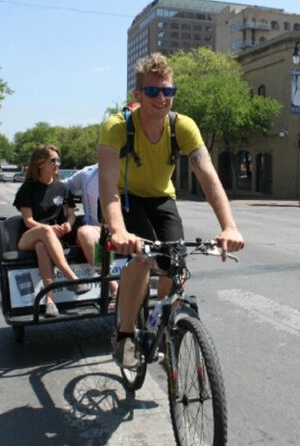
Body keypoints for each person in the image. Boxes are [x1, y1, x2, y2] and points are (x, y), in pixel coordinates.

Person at [98, 53, 245, 368]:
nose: (161, 98)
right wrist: (118, 230)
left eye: (168, 91)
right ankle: (125, 335)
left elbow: (208, 176)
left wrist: (229, 226)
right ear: (138, 95)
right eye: (152, 92)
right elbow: (107, 185)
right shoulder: (116, 127)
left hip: (162, 198)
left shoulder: (183, 126)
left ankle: (161, 324)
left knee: (174, 260)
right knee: (143, 255)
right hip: (127, 198)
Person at [13, 144, 90, 317]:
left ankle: (50, 301)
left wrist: (68, 225)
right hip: (28, 237)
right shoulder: (28, 188)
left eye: (58, 160)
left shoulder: (62, 188)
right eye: (53, 160)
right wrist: (49, 228)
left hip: (52, 240)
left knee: (42, 247)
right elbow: (28, 220)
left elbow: (71, 215)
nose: (57, 163)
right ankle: (73, 279)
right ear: (40, 164)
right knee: (44, 235)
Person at [65, 164, 118, 300]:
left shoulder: (131, 170)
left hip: (123, 229)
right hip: (95, 229)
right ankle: (113, 285)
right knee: (85, 233)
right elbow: (65, 186)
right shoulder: (87, 173)